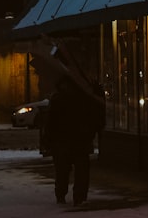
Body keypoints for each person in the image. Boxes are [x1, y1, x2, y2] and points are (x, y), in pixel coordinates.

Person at [44, 74, 104, 205]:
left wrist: (49, 140)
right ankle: (78, 195)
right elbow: (93, 117)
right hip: (79, 139)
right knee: (80, 170)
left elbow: (50, 123)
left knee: (63, 170)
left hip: (64, 139)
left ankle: (62, 194)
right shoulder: (83, 98)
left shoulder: (58, 99)